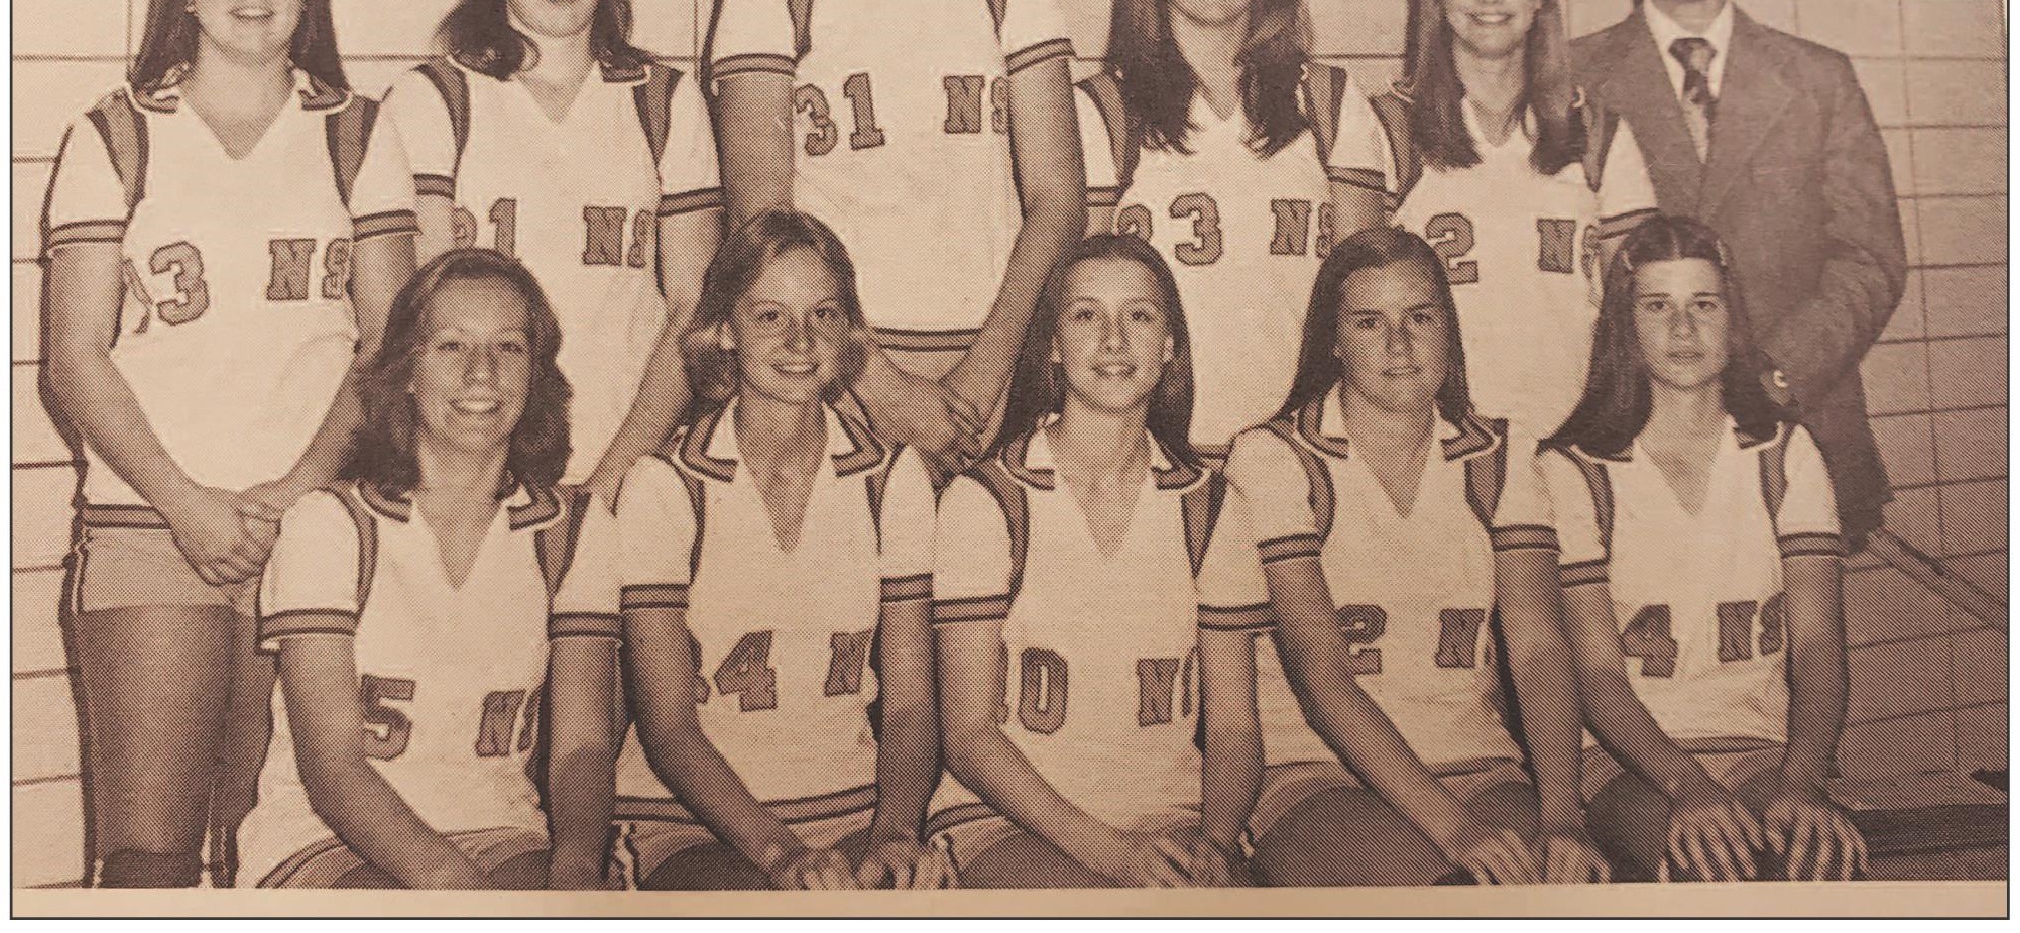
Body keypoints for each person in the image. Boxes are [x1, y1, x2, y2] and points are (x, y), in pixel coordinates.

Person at [42, 0, 416, 887]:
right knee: (149, 857)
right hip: (148, 526)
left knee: (275, 851)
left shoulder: (358, 132)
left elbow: (388, 346)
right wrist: (188, 505)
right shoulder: (115, 134)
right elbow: (75, 357)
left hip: (314, 528)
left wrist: (293, 493)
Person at [707, 0, 1085, 474]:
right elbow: (762, 220)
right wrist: (880, 385)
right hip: (829, 368)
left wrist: (984, 377)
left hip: (995, 364)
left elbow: (1058, 199)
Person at [1218, 228, 1607, 887]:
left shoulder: (1501, 455)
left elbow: (1539, 648)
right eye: (1370, 323)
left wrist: (1564, 818)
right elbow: (1321, 678)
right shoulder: (1276, 457)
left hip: (1478, 766)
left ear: (1448, 330)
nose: (1398, 344)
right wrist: (1456, 831)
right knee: (1444, 899)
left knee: (1563, 895)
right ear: (1333, 341)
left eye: (1419, 318)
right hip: (1318, 772)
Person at [237, 248, 619, 889]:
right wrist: (453, 887)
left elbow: (583, 744)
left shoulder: (573, 529)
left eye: (508, 349)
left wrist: (577, 872)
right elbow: (333, 770)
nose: (481, 373)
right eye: (451, 347)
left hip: (501, 834)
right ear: (407, 371)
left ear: (536, 374)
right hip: (324, 841)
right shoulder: (330, 525)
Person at [1572, 0, 1906, 553]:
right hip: (1629, 436)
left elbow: (1870, 259)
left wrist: (1775, 375)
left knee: (1803, 622)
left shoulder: (1819, 78)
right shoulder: (1575, 77)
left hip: (1799, 422)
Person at [382, 0, 722, 508]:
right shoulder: (435, 99)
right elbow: (419, 323)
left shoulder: (664, 101)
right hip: (472, 478)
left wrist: (611, 482)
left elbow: (692, 312)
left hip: (631, 466)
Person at [612, 210, 945, 890]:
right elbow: (669, 728)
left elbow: (910, 702)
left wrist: (895, 832)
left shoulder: (891, 478)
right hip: (689, 824)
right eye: (770, 317)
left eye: (824, 315)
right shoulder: (665, 485)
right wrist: (780, 854)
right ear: (724, 330)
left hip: (854, 812)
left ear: (849, 331)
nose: (801, 341)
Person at [928, 234, 1261, 888]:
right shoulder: (988, 498)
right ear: (1053, 345)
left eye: (1139, 316)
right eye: (1086, 316)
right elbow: (968, 738)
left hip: (1168, 819)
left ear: (1170, 346)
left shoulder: (1211, 505)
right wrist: (1114, 855)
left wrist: (1215, 843)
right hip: (1007, 820)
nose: (1114, 340)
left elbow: (1234, 725)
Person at [1542, 214, 1867, 883]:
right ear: (1624, 324)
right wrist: (1688, 787)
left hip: (1762, 753)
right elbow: (1596, 677)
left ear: (1732, 319)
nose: (1683, 329)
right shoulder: (1577, 469)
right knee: (1706, 869)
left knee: (1818, 867)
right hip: (1629, 763)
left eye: (1704, 305)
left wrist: (1802, 782)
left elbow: (1817, 645)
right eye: (1658, 306)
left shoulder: (1783, 453)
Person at [1077, 0, 1383, 461]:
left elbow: (1367, 302)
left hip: (1306, 457)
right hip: (1159, 459)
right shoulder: (1100, 111)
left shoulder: (1329, 100)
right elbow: (1078, 313)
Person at [1340, 0, 1659, 439]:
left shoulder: (1598, 134)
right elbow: (1356, 317)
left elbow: (1639, 315)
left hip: (1573, 443)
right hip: (1437, 448)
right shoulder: (1383, 127)